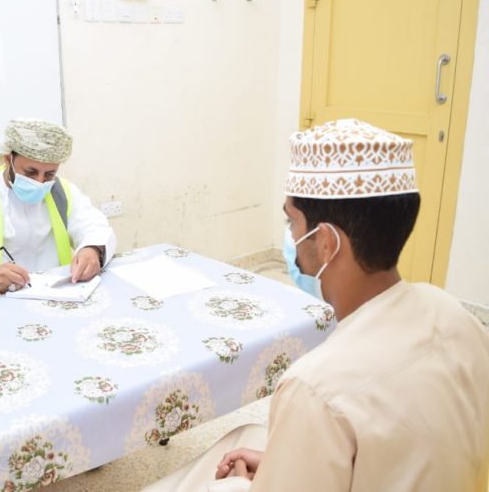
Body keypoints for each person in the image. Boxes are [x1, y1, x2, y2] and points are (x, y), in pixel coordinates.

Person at [142, 119, 489, 492]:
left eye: (291, 221)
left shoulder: (315, 387)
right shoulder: (457, 317)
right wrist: (280, 464)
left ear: (326, 243)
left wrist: (241, 484)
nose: (290, 236)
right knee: (246, 434)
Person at [0, 118, 116, 293]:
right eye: (31, 172)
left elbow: (97, 228)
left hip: (58, 294)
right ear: (8, 160)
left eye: (49, 174)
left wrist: (92, 249)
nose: (40, 182)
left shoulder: (63, 192)